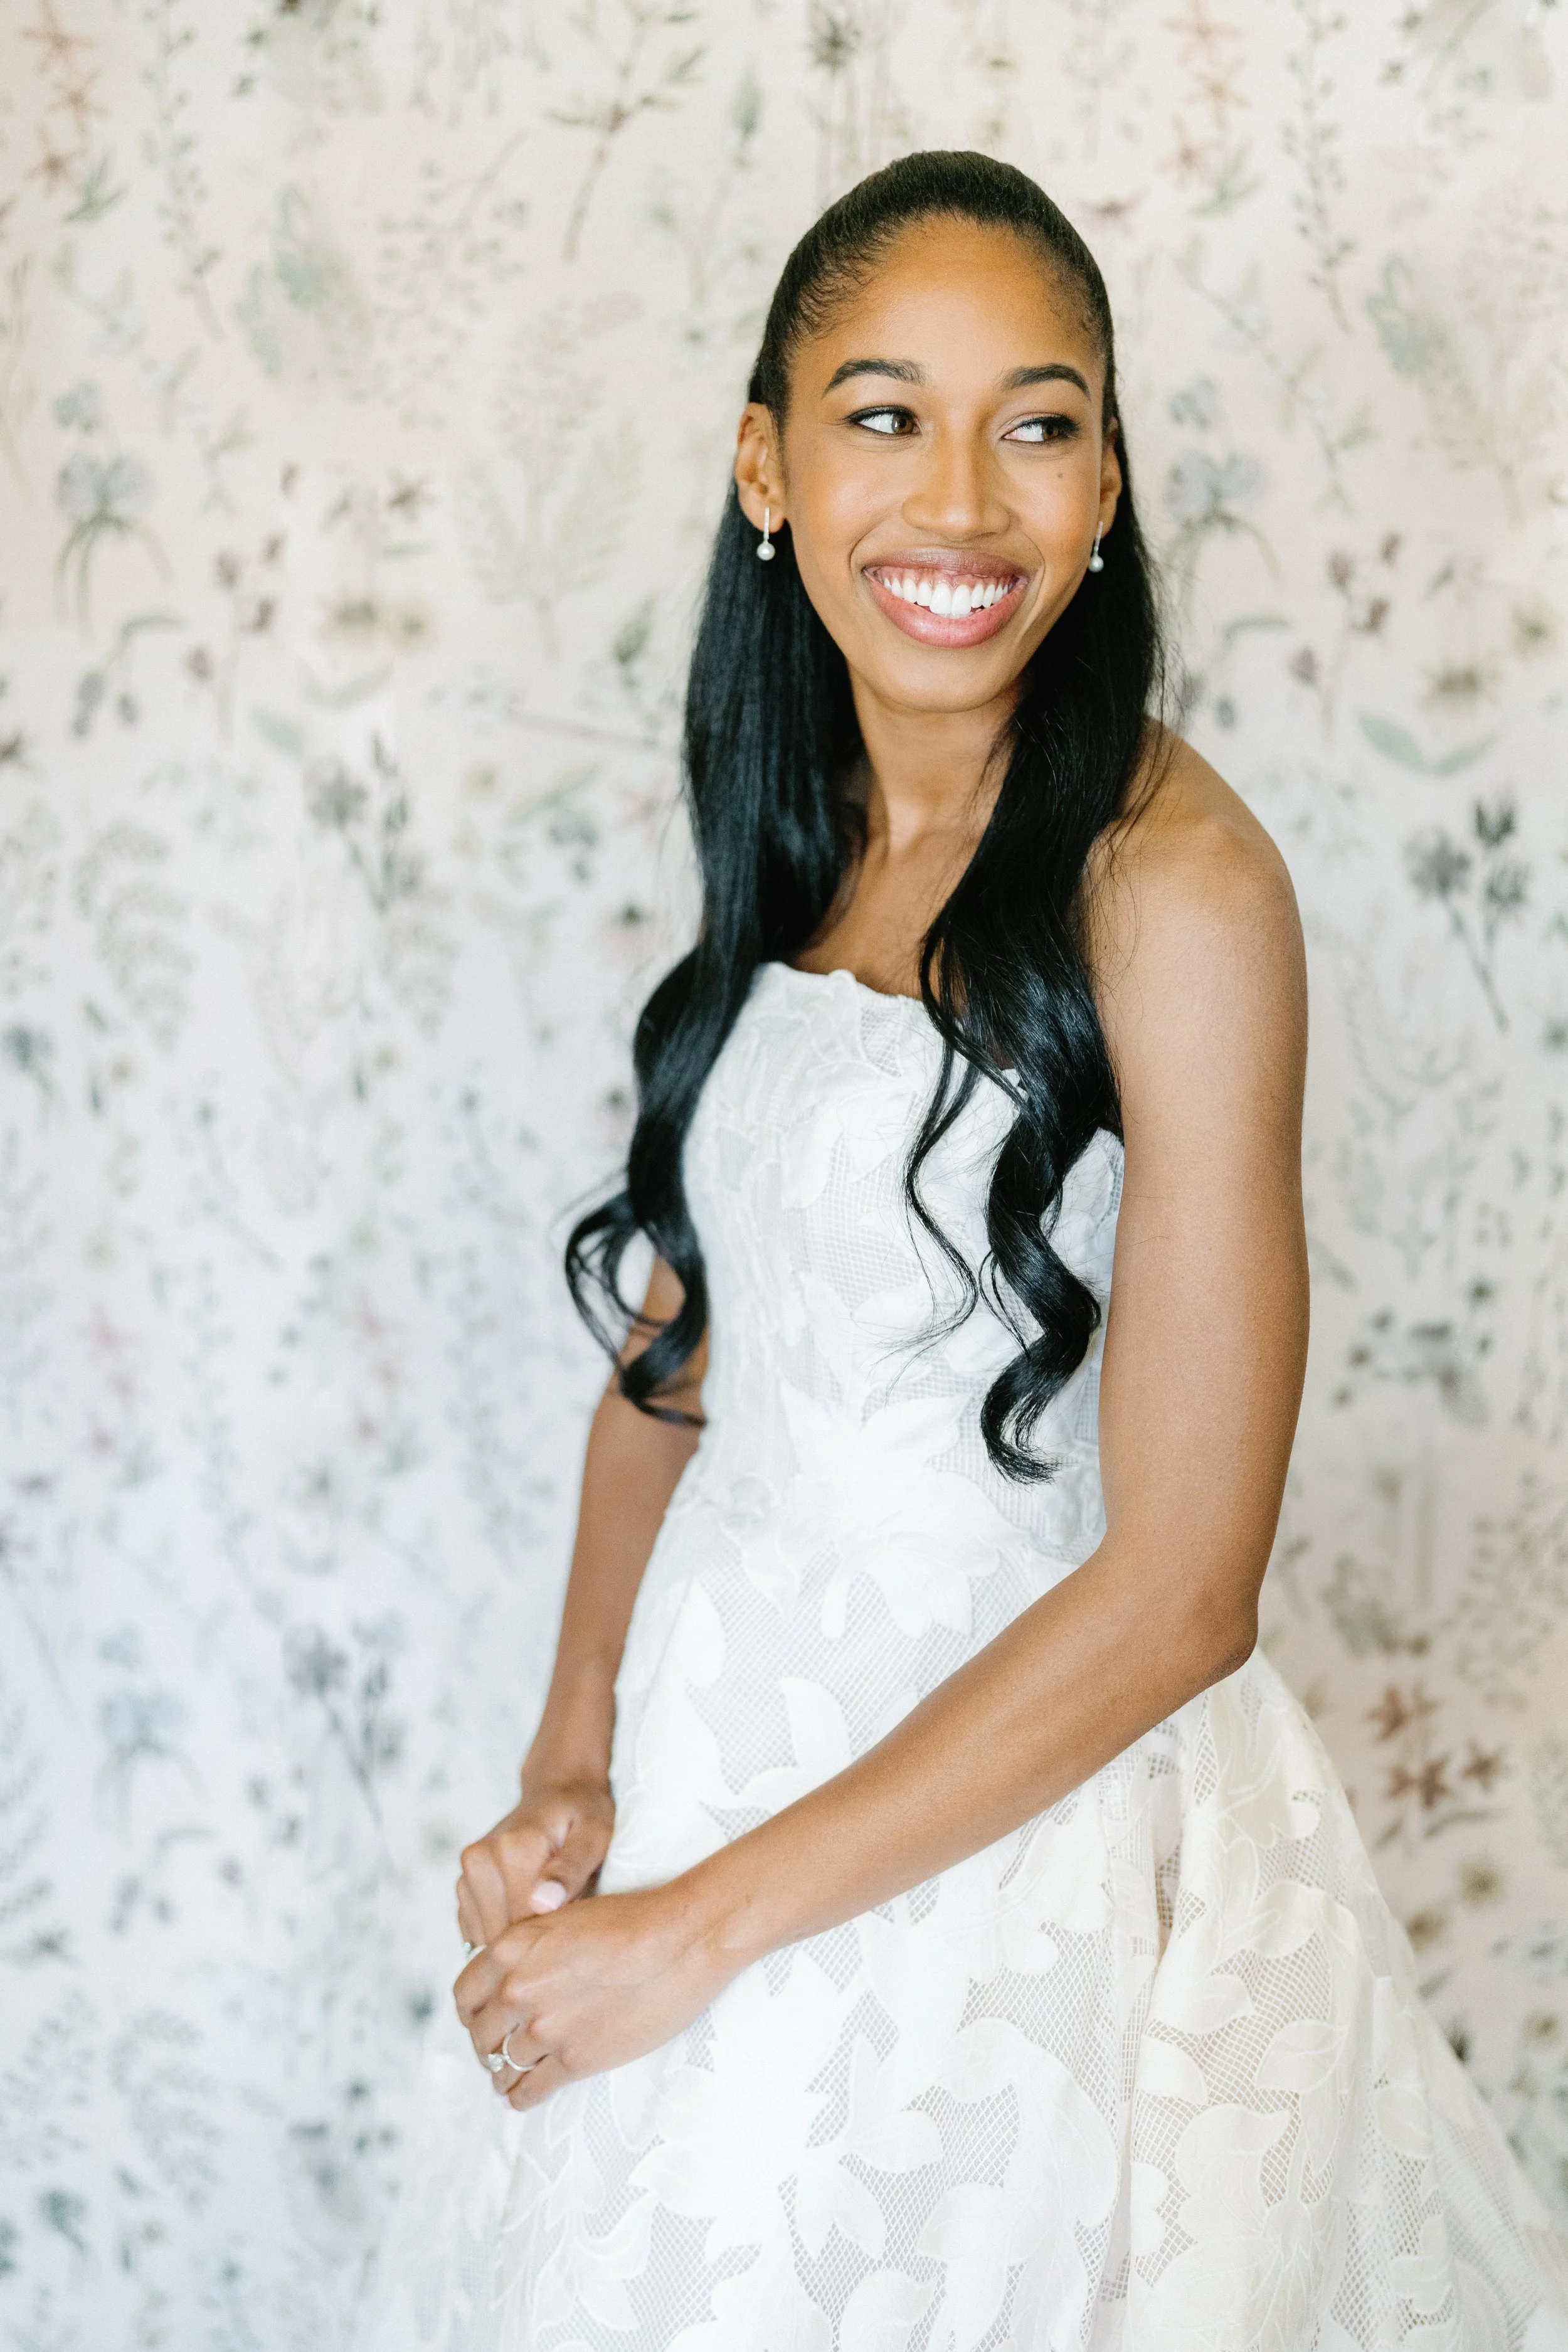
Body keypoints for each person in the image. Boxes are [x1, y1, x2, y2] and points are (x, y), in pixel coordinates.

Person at [365, 152, 1568, 2350]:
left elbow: (1187, 1589)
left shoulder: (1176, 888)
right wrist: (573, 1767)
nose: (963, 500)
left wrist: (697, 1933)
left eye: (1035, 420)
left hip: (1013, 1845)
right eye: (882, 413)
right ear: (767, 463)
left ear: (1105, 483)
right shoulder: (810, 816)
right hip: (719, 1767)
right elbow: (687, 1351)